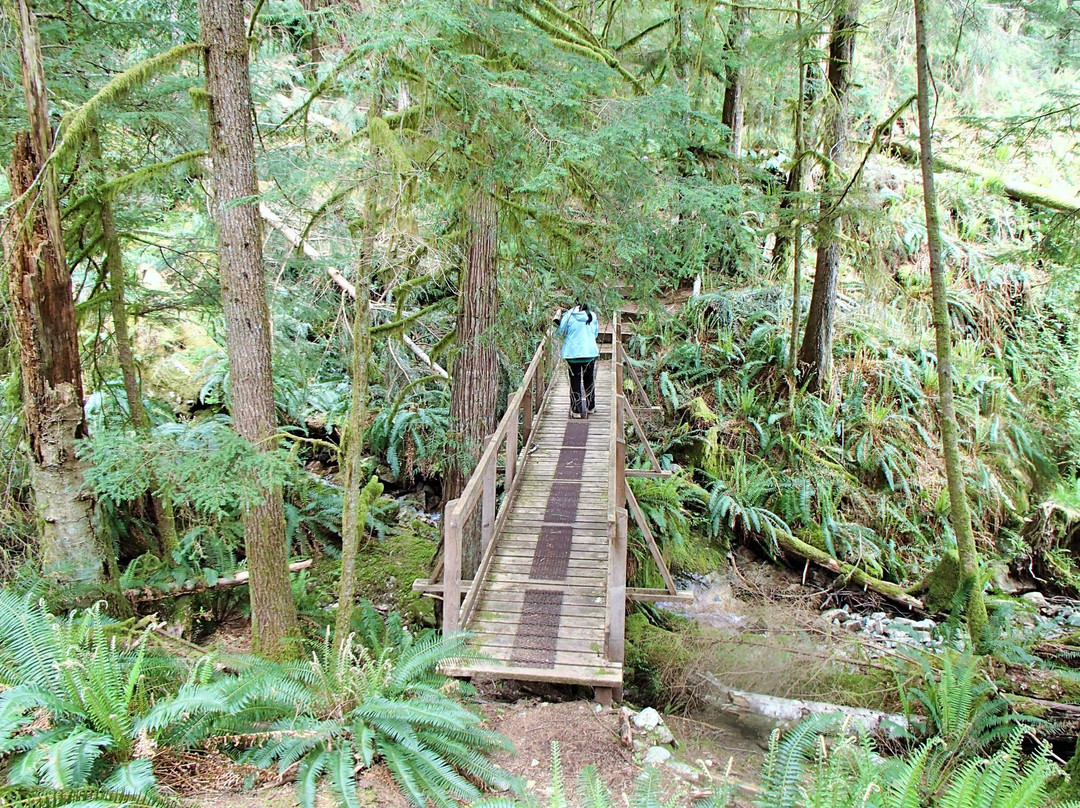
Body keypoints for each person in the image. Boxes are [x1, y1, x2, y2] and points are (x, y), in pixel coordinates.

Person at [554, 303, 600, 418]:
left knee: (575, 381)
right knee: (589, 380)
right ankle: (591, 407)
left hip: (572, 354)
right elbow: (595, 334)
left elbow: (560, 333)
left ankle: (576, 410)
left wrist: (558, 323)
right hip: (589, 353)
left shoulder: (568, 316)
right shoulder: (592, 316)